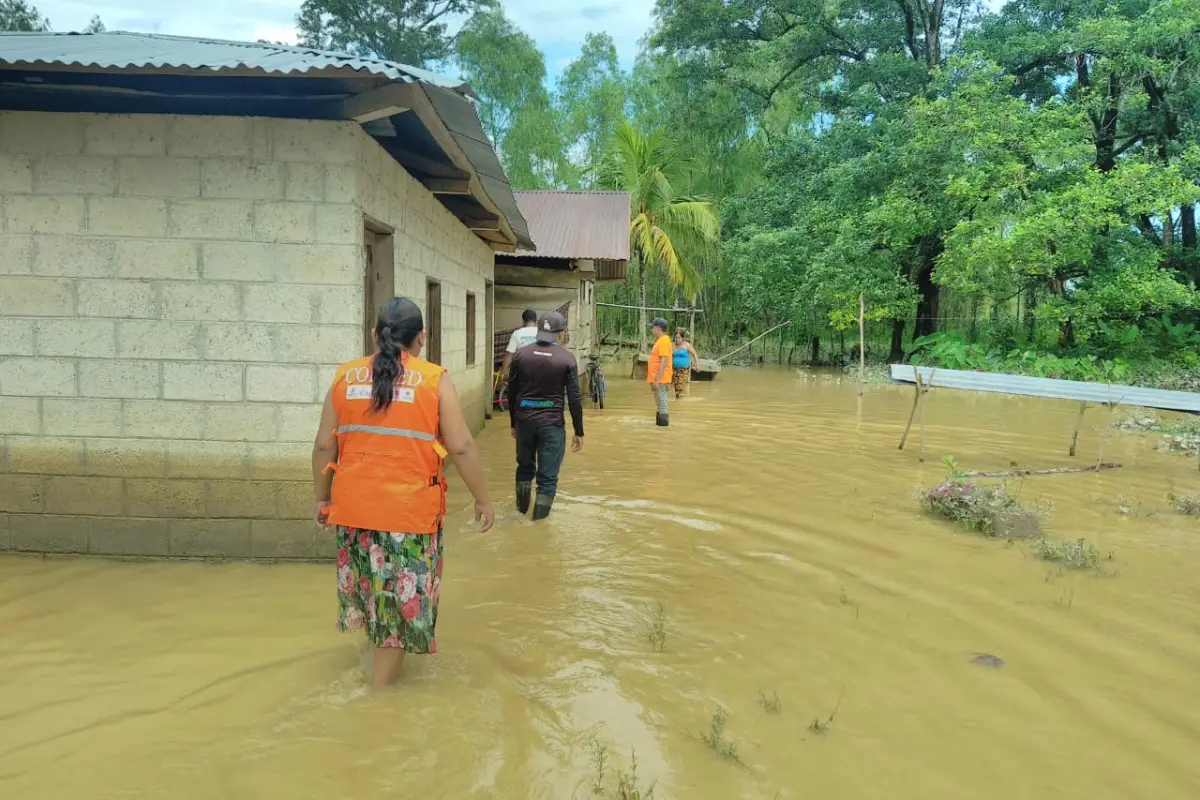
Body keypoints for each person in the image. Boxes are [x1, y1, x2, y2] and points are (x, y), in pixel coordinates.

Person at [311, 297, 495, 690]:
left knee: (375, 599)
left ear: (375, 335)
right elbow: (461, 447)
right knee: (395, 613)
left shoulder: (345, 377)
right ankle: (378, 701)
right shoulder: (433, 379)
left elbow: (325, 446)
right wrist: (483, 498)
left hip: (355, 515)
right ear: (422, 339)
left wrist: (322, 498)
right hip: (407, 520)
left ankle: (378, 669)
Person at [506, 311, 584, 520]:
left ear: (539, 329)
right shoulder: (566, 359)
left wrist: (514, 423)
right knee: (547, 479)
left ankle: (521, 514)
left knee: (524, 467)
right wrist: (579, 431)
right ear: (561, 334)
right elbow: (575, 398)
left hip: (524, 421)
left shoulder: (521, 355)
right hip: (552, 424)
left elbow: (512, 392)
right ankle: (538, 525)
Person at [500, 309, 539, 383]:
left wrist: (504, 372)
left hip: (522, 370)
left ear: (523, 321)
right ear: (536, 321)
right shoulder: (541, 333)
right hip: (540, 369)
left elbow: (509, 354)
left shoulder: (517, 333)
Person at [647, 318, 673, 427]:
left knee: (662, 406)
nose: (651, 330)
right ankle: (659, 430)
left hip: (661, 380)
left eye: (652, 327)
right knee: (659, 406)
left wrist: (657, 380)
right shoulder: (659, 341)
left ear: (658, 328)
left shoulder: (663, 341)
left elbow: (664, 361)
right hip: (657, 379)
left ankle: (663, 431)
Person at [672, 328, 700, 399]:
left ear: (682, 338)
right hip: (674, 369)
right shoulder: (671, 345)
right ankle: (679, 401)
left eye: (678, 338)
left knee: (680, 386)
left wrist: (697, 365)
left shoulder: (686, 345)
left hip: (684, 369)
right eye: (675, 337)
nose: (677, 339)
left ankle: (681, 404)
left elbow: (694, 354)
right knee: (676, 387)